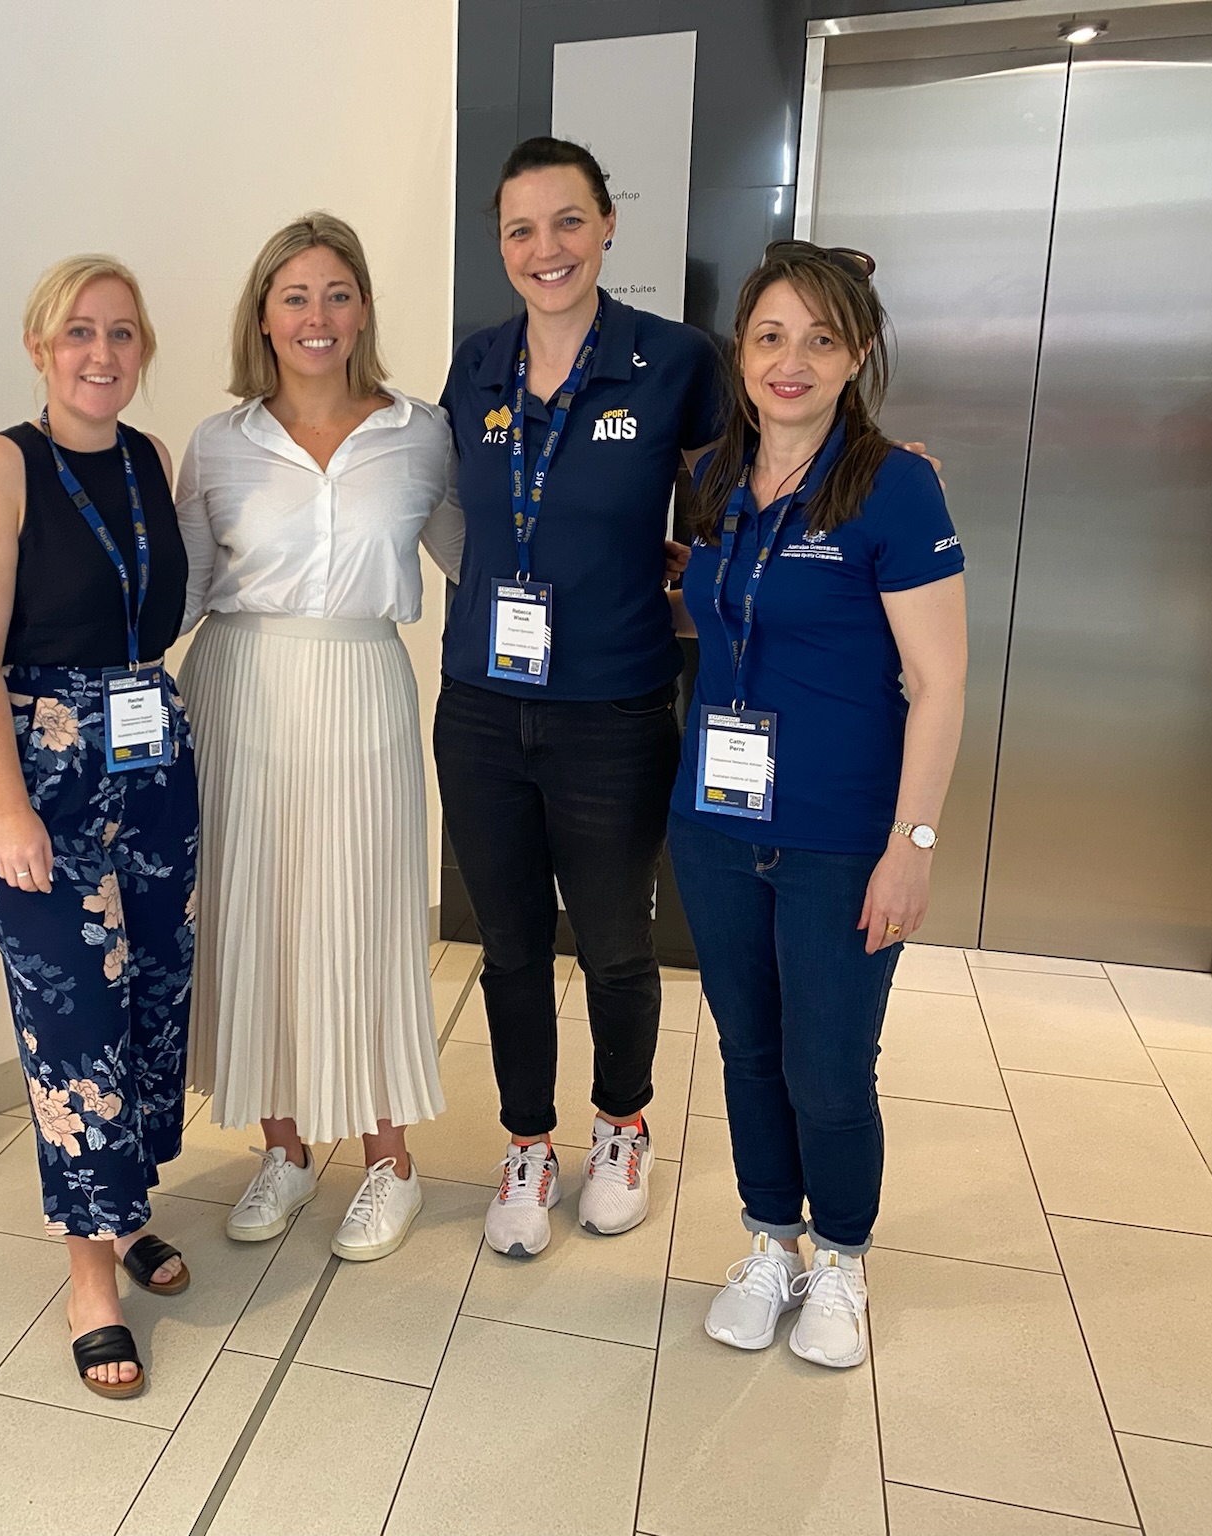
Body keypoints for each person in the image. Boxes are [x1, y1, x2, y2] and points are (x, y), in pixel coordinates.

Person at [668, 242, 966, 1369]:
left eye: (819, 339)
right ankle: (767, 1242)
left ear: (857, 354)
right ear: (740, 352)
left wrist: (912, 844)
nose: (789, 361)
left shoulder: (895, 483)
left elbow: (937, 681)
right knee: (747, 1048)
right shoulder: (711, 478)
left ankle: (838, 1260)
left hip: (843, 834)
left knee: (827, 1064)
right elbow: (725, 611)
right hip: (714, 825)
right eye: (768, 337)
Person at [432, 137, 721, 1258]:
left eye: (565, 222)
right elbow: (453, 507)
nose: (542, 248)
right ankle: (523, 1142)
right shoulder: (477, 365)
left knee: (612, 945)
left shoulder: (672, 360)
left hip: (613, 708)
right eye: (518, 229)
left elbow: (738, 490)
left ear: (607, 227)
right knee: (506, 947)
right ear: (498, 245)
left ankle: (620, 1125)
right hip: (481, 708)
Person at [0, 255, 199, 1400]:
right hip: (39, 778)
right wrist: (5, 806)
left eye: (123, 335)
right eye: (79, 334)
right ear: (40, 347)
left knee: (149, 1008)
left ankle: (127, 1207)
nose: (102, 355)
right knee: (72, 1032)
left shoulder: (147, 459)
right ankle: (90, 1279)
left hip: (148, 764)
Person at [177, 213, 459, 1262]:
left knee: (364, 914)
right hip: (237, 688)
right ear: (263, 314)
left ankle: (388, 1161)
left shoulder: (420, 433)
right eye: (294, 296)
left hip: (362, 686)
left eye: (336, 293)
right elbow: (183, 592)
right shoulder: (218, 444)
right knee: (253, 914)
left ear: (363, 309)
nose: (316, 316)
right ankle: (283, 1149)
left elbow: (483, 560)